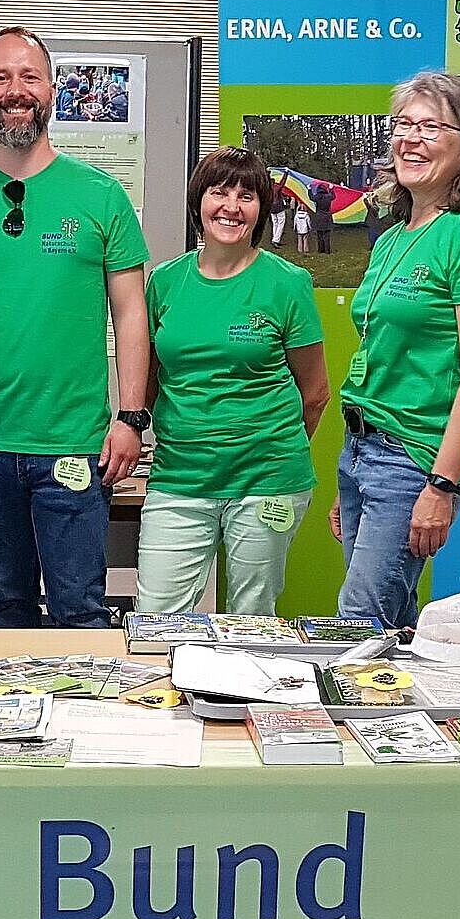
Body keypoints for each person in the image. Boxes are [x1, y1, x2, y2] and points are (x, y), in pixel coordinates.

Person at [0, 26, 150, 628]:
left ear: (53, 88)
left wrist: (129, 417)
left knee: (80, 614)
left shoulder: (101, 196)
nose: (15, 90)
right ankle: (12, 724)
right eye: (0, 77)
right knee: (5, 609)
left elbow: (130, 313)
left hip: (74, 444)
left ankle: (81, 724)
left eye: (28, 76)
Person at [330, 71, 460, 627]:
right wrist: (353, 476)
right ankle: (398, 715)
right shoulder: (393, 235)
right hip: (362, 447)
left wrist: (441, 485)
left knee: (360, 622)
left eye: (432, 127)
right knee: (389, 623)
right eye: (404, 124)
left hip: (412, 458)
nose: (410, 139)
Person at [136, 147, 328, 616]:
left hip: (267, 481)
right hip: (179, 479)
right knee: (156, 617)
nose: (231, 206)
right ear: (198, 201)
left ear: (262, 208)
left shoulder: (287, 283)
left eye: (246, 196)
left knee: (251, 622)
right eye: (218, 192)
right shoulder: (164, 281)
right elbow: (148, 381)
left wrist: (264, 448)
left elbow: (315, 393)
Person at [311, 180, 335, 254]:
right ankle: (327, 250)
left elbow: (311, 197)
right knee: (327, 235)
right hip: (327, 217)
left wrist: (309, 189)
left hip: (319, 217)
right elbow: (334, 196)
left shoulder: (317, 197)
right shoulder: (328, 196)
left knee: (320, 235)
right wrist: (331, 189)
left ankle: (321, 250)